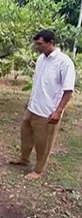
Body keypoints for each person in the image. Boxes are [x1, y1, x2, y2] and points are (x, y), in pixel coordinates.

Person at [10, 30, 76, 180]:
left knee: (43, 142)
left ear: (50, 42)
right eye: (36, 44)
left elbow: (68, 90)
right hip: (33, 107)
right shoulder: (41, 59)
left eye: (40, 44)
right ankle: (24, 159)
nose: (37, 47)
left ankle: (38, 170)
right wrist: (30, 100)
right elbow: (38, 83)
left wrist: (58, 111)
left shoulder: (64, 62)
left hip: (48, 111)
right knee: (25, 134)